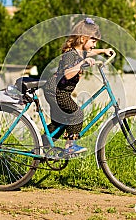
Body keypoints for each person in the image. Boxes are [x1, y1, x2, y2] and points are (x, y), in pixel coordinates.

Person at [43, 18, 113, 155]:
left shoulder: (80, 52)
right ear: (82, 39)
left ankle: (40, 146)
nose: (94, 44)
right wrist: (82, 64)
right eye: (93, 41)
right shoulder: (70, 55)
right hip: (56, 91)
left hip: (59, 91)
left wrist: (103, 50)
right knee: (77, 114)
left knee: (59, 124)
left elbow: (89, 52)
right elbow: (68, 74)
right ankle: (70, 147)